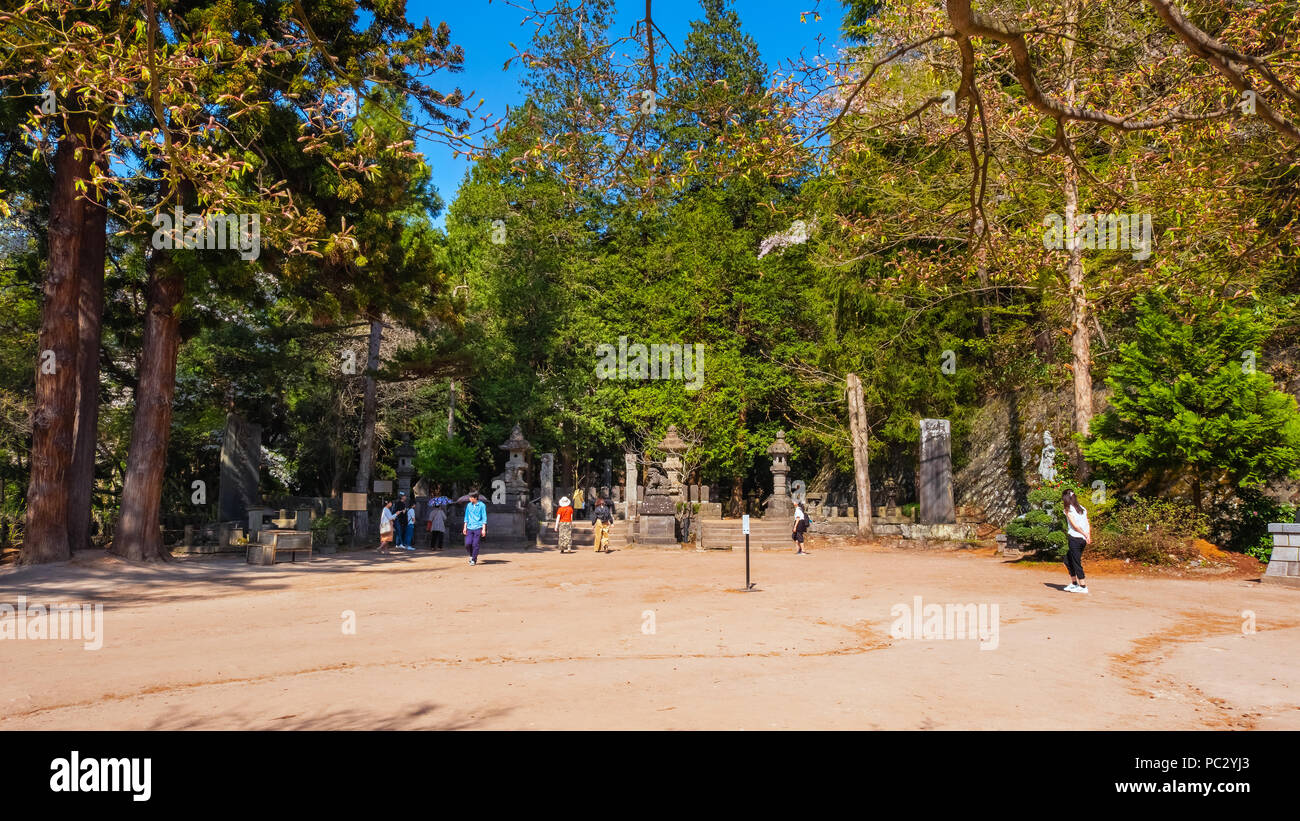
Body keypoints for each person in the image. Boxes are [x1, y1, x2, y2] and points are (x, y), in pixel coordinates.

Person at [1062, 489, 1091, 593]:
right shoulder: (1082, 508)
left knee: (1076, 562)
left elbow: (1074, 526)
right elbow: (1087, 523)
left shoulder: (1068, 509)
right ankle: (1074, 583)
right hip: (1082, 539)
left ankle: (1083, 586)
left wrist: (1084, 534)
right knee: (1067, 560)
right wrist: (1088, 535)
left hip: (1075, 538)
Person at [463, 490, 487, 566]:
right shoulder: (468, 505)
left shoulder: (482, 505)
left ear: (475, 498)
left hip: (478, 527)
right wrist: (464, 527)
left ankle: (474, 559)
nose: (469, 498)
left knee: (475, 544)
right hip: (469, 527)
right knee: (467, 544)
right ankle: (471, 555)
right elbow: (466, 517)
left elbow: (484, 517)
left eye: (471, 497)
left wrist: (483, 529)